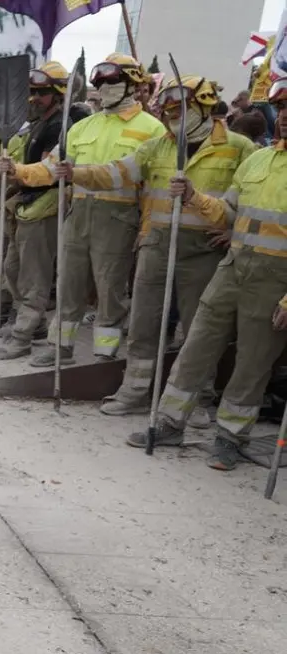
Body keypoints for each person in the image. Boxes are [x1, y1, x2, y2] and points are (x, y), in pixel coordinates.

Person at [44, 76, 256, 416]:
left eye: (180, 110)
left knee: (199, 330)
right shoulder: (160, 145)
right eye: (170, 111)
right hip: (157, 244)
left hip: (204, 249)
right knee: (143, 323)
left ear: (204, 107)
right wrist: (78, 172)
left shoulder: (240, 149)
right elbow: (117, 173)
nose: (174, 118)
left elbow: (251, 201)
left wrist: (234, 233)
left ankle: (196, 401)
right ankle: (135, 391)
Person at [124, 78, 287, 469]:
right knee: (197, 345)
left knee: (252, 362)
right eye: (282, 110)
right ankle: (170, 422)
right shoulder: (259, 160)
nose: (284, 118)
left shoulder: (245, 150)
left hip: (275, 280)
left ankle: (231, 436)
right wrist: (195, 197)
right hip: (233, 268)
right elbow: (229, 212)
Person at [7, 54, 166, 366]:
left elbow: (136, 179)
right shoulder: (82, 127)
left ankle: (105, 354)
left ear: (132, 84)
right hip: (78, 212)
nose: (104, 87)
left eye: (112, 81)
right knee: (69, 282)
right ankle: (59, 348)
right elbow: (51, 168)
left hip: (119, 217)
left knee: (110, 289)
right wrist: (15, 170)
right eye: (99, 82)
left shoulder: (152, 129)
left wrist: (146, 228)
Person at [0, 62, 89, 359]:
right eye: (32, 92)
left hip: (46, 207)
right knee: (12, 268)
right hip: (26, 203)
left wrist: (16, 169)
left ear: (59, 94)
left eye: (42, 93)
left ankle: (22, 337)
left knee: (34, 276)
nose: (34, 98)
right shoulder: (39, 124)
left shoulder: (62, 128)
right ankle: (33, 325)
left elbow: (48, 170)